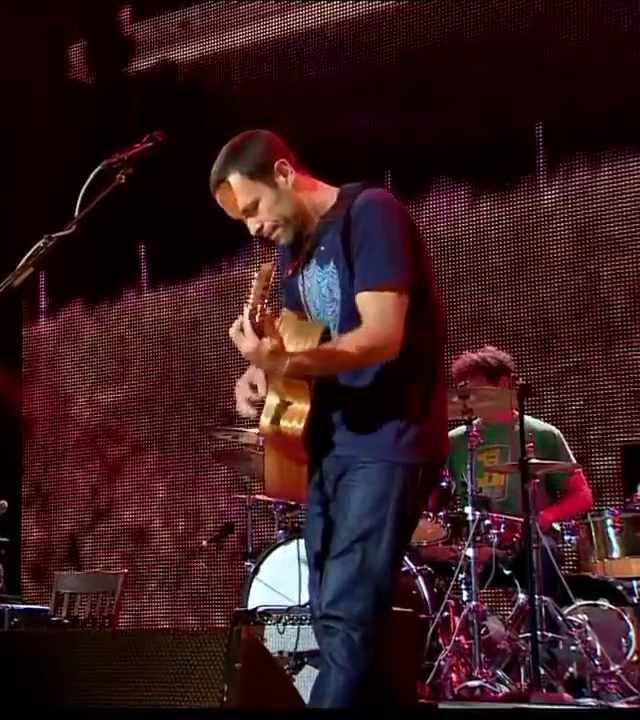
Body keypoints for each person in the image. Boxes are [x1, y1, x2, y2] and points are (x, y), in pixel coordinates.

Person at [214, 129, 448, 707]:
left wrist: (284, 359)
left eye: (254, 208)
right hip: (333, 445)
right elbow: (298, 348)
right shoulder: (291, 251)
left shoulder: (370, 215)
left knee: (345, 613)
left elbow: (381, 335)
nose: (252, 227)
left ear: (286, 175)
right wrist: (262, 376)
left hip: (389, 440)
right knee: (334, 617)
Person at [445, 345, 592, 603]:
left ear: (503, 384)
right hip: (475, 540)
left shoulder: (542, 434)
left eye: (475, 389)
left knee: (543, 555)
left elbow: (582, 495)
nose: (467, 397)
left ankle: (540, 635)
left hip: (529, 540)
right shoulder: (454, 442)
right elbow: (433, 499)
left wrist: (543, 519)